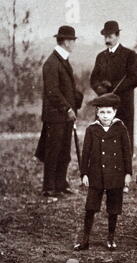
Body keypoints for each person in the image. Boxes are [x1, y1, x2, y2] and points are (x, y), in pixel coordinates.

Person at [74, 94, 132, 251]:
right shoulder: (92, 129)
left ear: (114, 112)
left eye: (108, 112)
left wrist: (128, 173)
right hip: (96, 173)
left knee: (113, 207)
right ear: (97, 113)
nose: (105, 116)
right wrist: (84, 173)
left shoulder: (120, 128)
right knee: (90, 207)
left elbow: (127, 152)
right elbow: (85, 154)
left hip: (116, 173)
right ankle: (85, 239)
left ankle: (111, 238)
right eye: (102, 112)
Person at [35, 25, 83, 198]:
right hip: (56, 116)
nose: (74, 43)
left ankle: (61, 185)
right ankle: (49, 188)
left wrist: (75, 101)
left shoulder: (63, 60)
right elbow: (52, 92)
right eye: (72, 40)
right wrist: (68, 108)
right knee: (53, 152)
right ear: (65, 41)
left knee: (64, 151)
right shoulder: (52, 63)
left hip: (65, 115)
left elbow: (66, 88)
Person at [90, 20, 137, 151]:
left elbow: (134, 79)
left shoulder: (129, 55)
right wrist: (100, 89)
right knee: (104, 140)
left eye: (110, 36)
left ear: (117, 36)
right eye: (105, 37)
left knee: (123, 140)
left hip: (123, 105)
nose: (107, 40)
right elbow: (93, 79)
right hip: (104, 105)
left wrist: (114, 89)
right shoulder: (100, 57)